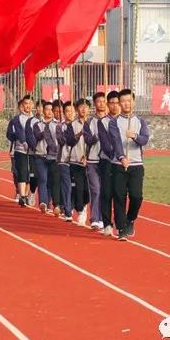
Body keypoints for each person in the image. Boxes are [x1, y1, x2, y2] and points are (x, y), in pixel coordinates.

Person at [109, 89, 150, 241]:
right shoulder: (114, 122)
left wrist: (134, 136)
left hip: (136, 164)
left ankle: (131, 219)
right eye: (123, 101)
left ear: (133, 102)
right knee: (119, 196)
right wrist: (121, 157)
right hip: (118, 165)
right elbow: (115, 141)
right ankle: (121, 228)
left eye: (128, 101)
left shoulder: (140, 122)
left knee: (136, 196)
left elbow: (145, 139)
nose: (126, 104)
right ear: (119, 103)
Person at [84, 93, 109, 231]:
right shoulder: (89, 122)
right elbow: (87, 139)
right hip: (93, 160)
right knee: (96, 190)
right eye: (98, 101)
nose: (101, 104)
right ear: (94, 104)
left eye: (103, 101)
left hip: (106, 160)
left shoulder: (110, 121)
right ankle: (94, 218)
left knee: (105, 191)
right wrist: (98, 136)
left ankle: (103, 218)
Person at [32, 102, 59, 214]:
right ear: (42, 111)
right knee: (43, 179)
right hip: (40, 155)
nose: (49, 112)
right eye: (46, 109)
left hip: (53, 157)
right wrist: (46, 130)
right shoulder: (37, 125)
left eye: (51, 109)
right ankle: (43, 202)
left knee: (52, 181)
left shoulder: (58, 124)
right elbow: (37, 136)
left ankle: (53, 203)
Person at [98, 91, 120, 236]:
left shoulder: (126, 120)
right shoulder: (103, 122)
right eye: (111, 103)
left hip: (120, 163)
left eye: (116, 103)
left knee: (119, 193)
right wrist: (118, 153)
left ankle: (120, 223)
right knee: (106, 193)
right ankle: (106, 223)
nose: (114, 106)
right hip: (107, 160)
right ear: (108, 104)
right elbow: (105, 144)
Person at [7, 95, 34, 207]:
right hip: (19, 150)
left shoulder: (36, 119)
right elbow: (14, 133)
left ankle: (27, 194)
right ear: (21, 106)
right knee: (20, 172)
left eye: (29, 103)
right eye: (25, 104)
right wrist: (22, 141)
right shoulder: (16, 120)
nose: (28, 106)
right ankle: (22, 196)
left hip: (34, 151)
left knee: (31, 174)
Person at [69, 98, 91, 227]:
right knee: (78, 188)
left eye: (86, 107)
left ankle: (85, 206)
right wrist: (78, 134)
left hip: (90, 162)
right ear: (77, 109)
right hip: (76, 161)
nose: (83, 109)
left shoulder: (93, 123)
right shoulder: (72, 124)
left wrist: (87, 156)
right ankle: (81, 210)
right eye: (81, 107)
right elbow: (69, 141)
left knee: (88, 190)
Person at [56, 101, 76, 222]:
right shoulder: (60, 126)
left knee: (77, 186)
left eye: (72, 111)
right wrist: (70, 130)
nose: (70, 113)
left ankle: (73, 205)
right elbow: (63, 141)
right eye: (67, 111)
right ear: (63, 113)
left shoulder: (80, 125)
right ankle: (68, 211)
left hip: (77, 160)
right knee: (67, 185)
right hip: (63, 160)